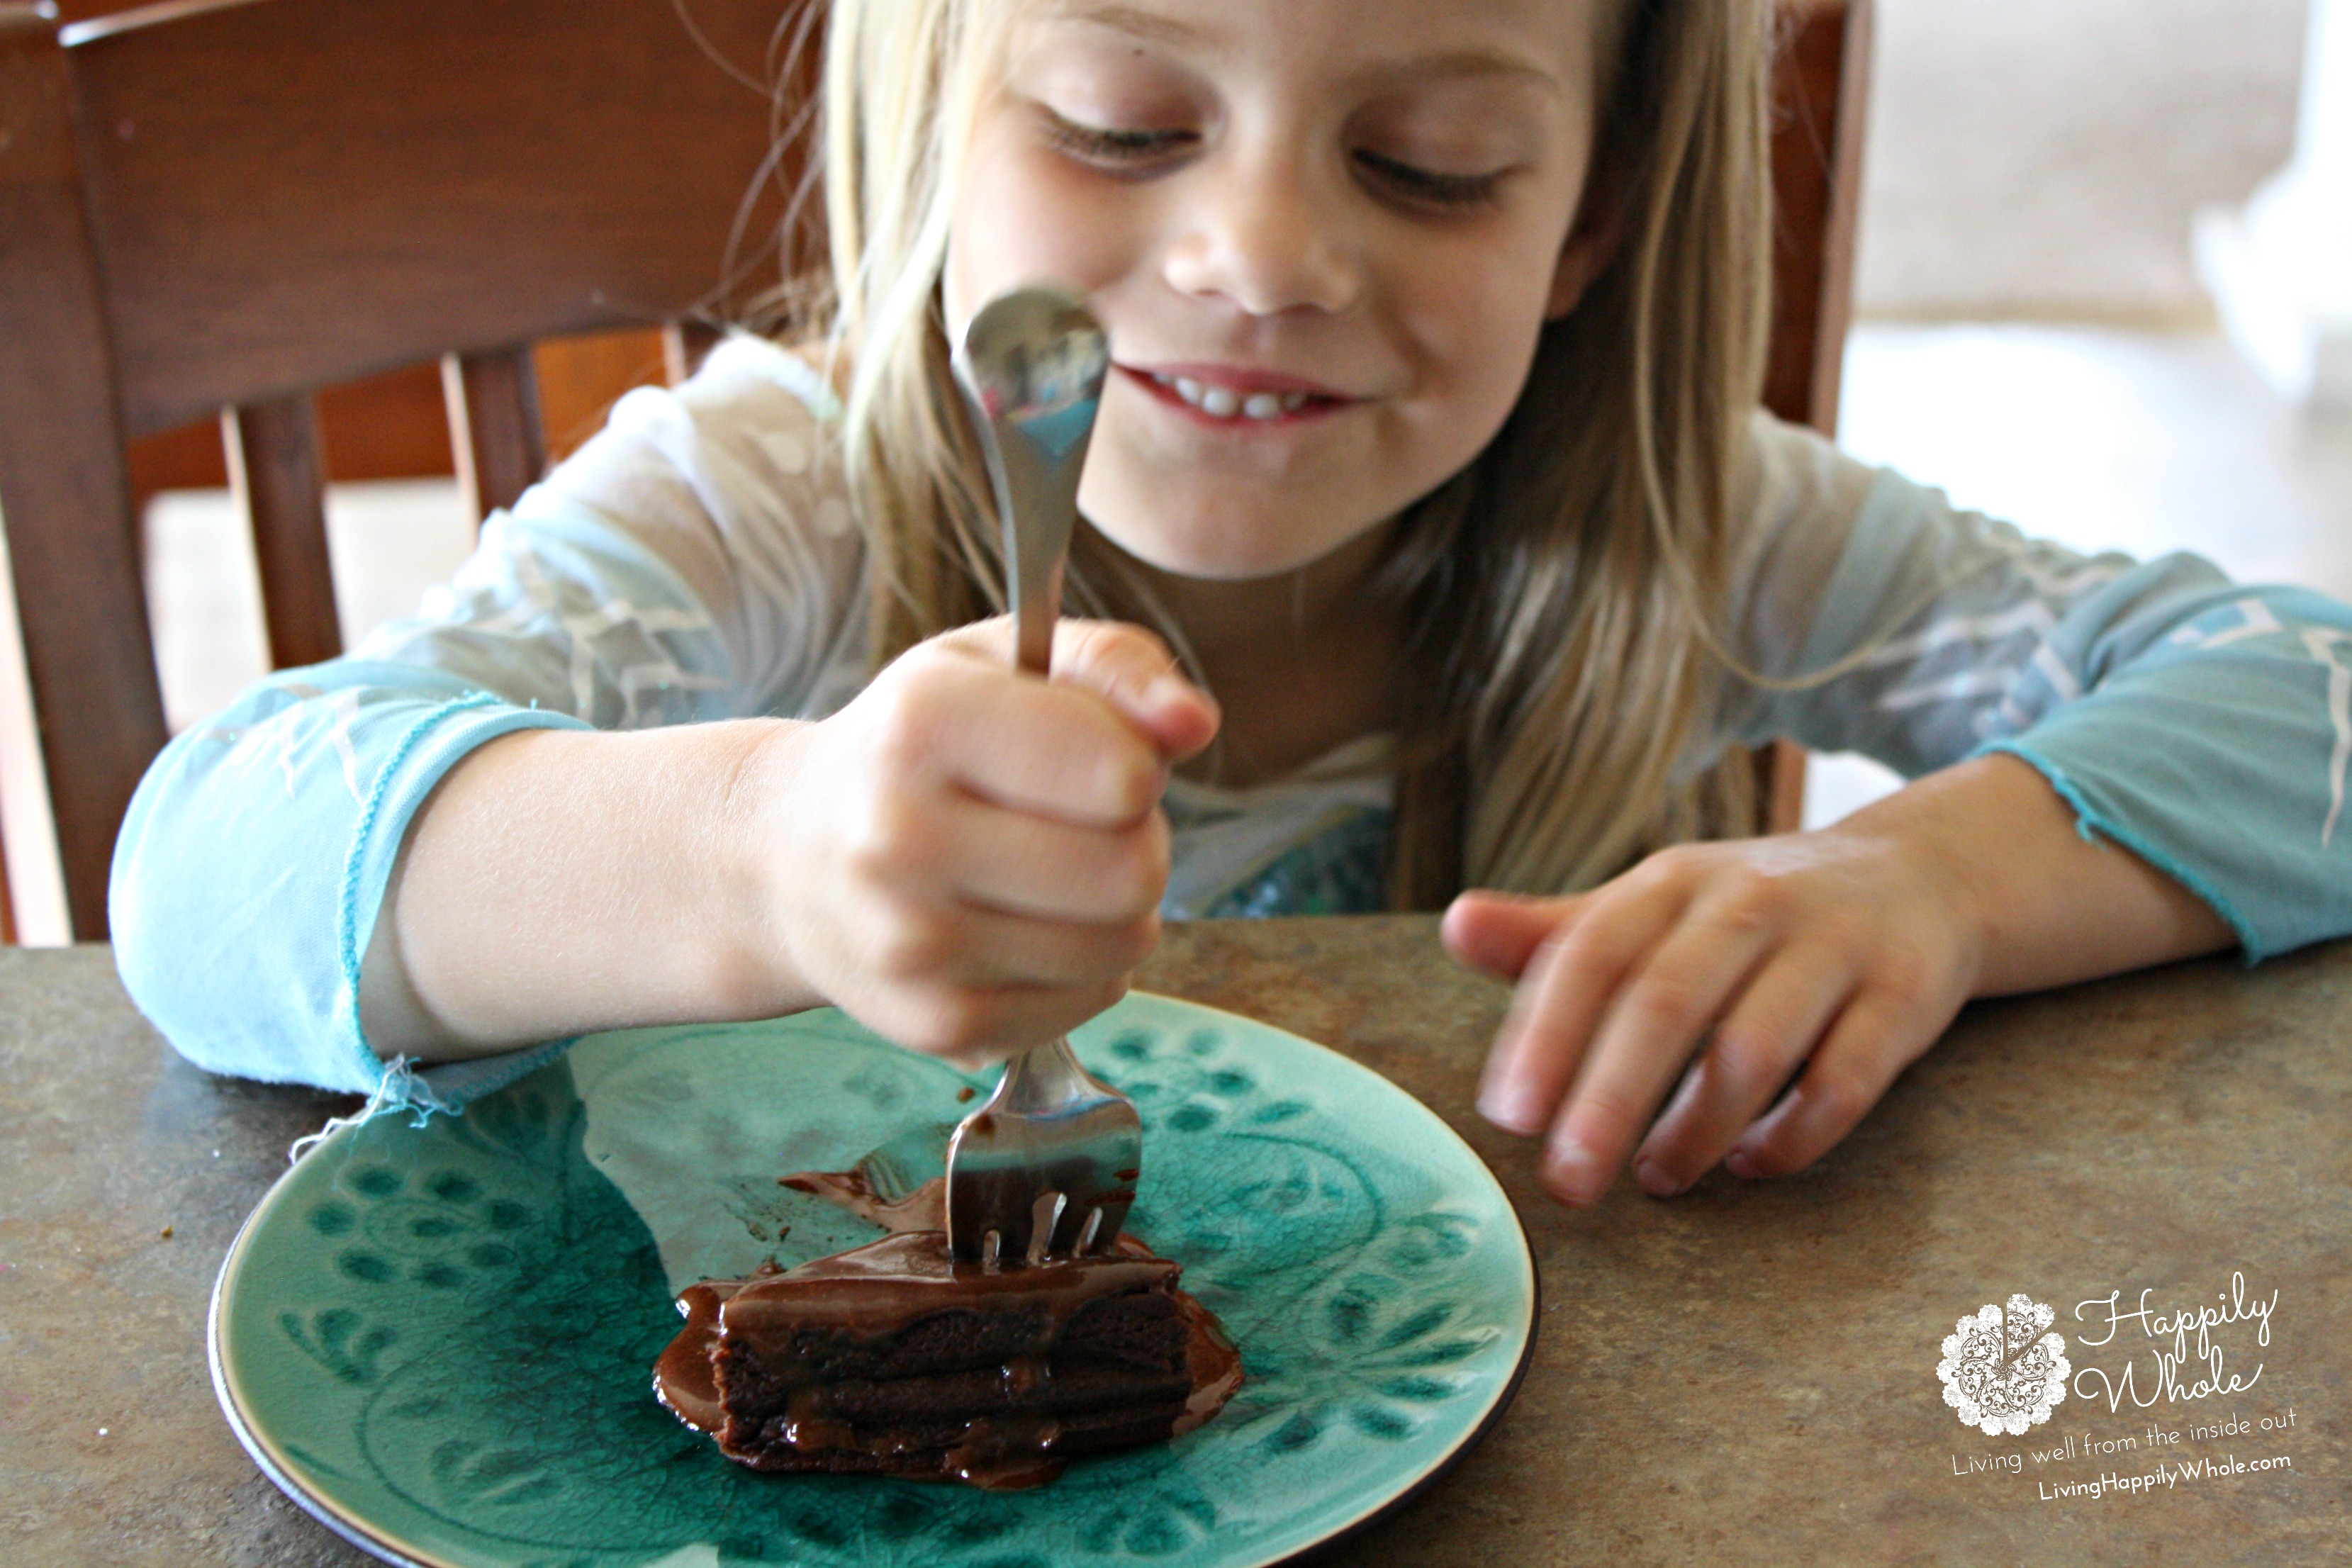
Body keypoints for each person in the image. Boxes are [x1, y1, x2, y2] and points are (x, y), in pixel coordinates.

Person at [111, 0, 2352, 1209]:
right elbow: (200, 857)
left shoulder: (1689, 531)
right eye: (1114, 120)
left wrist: (1924, 880)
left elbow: (2311, 695)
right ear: (939, 105)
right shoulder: (771, 502)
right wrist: (757, 852)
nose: (1263, 256)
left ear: (1582, 226)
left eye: (1427, 167)